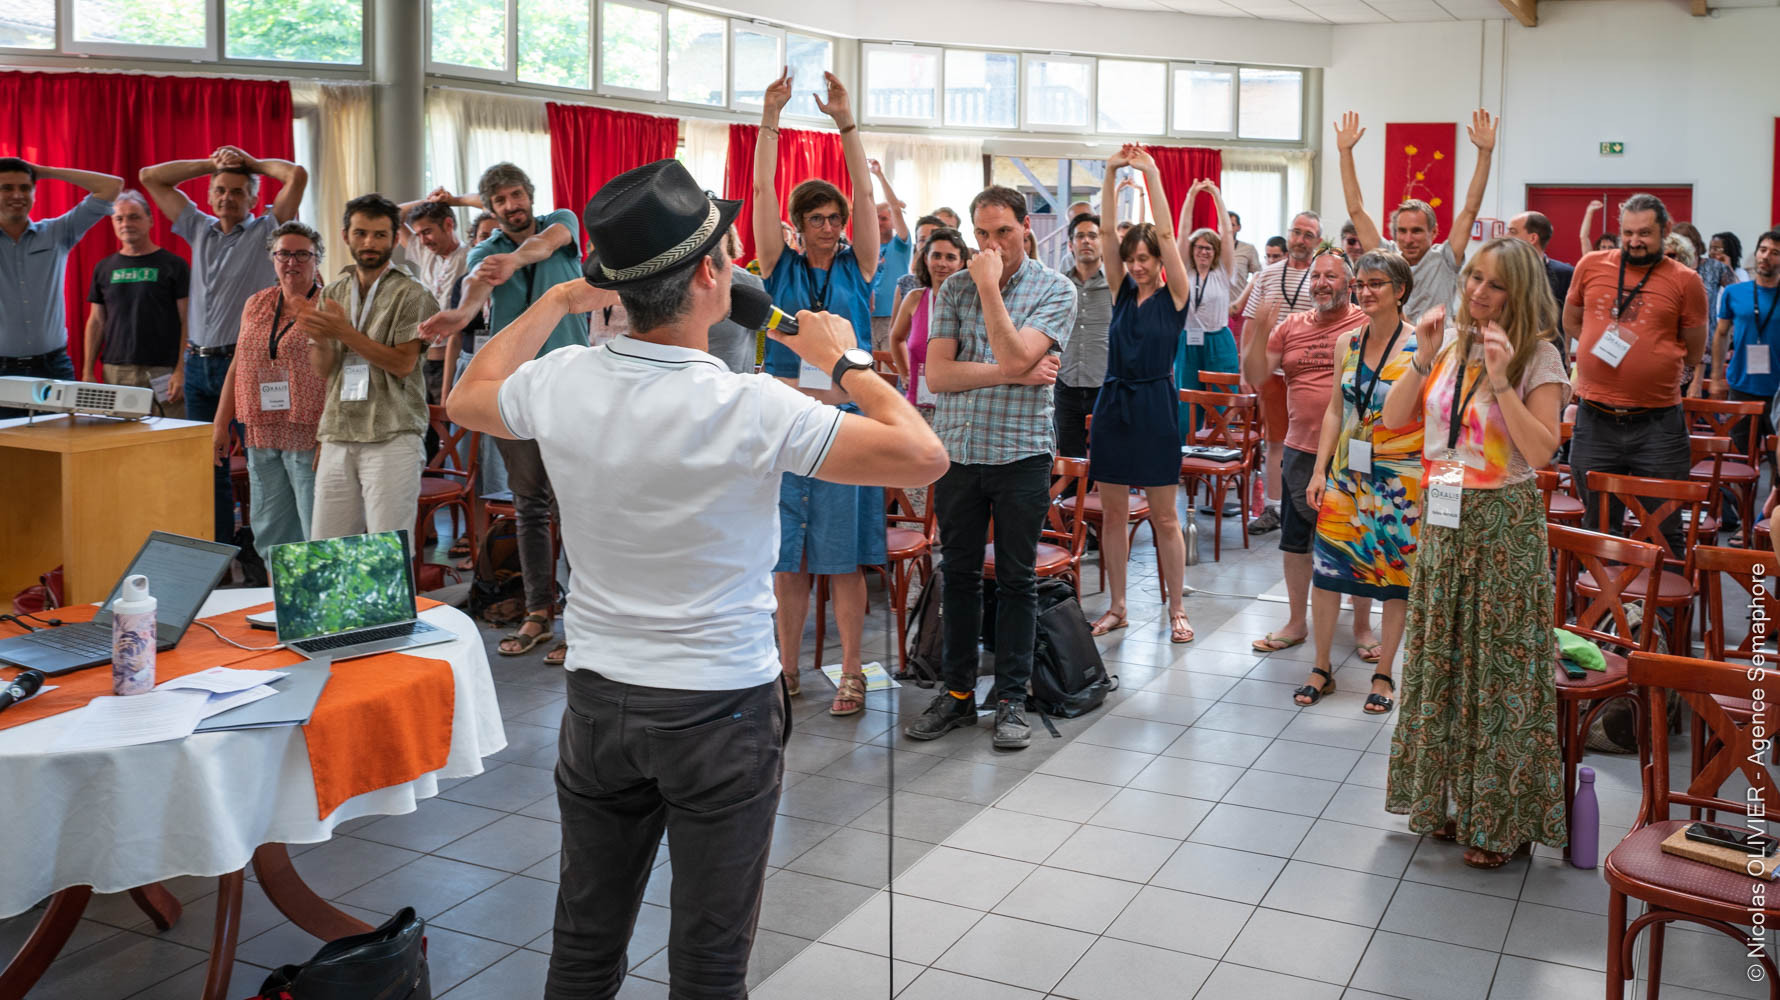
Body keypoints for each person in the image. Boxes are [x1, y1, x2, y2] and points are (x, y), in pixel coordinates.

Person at [445, 157, 946, 1000]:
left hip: (600, 700)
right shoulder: (751, 405)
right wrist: (843, 358)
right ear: (712, 277)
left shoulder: (563, 381)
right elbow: (923, 456)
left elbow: (468, 395)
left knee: (583, 948)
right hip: (721, 707)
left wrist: (557, 301)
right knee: (709, 968)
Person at [1379, 237, 1569, 868]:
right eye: (1473, 278)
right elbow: (1392, 419)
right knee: (1444, 662)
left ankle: (1502, 821)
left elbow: (1541, 452)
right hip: (1444, 518)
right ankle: (1447, 804)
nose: (1478, 292)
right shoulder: (1450, 343)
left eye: (1494, 284)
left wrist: (1502, 379)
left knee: (1498, 670)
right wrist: (1421, 357)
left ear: (1520, 292)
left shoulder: (1539, 355)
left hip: (1502, 526)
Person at [905, 184, 1075, 750]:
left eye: (1003, 231)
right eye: (982, 234)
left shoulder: (1056, 289)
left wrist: (989, 289)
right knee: (957, 574)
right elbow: (938, 376)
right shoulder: (953, 287)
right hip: (959, 450)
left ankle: (1010, 701)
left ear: (1026, 227)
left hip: (1021, 451)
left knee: (1017, 580)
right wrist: (1014, 373)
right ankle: (956, 695)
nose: (992, 244)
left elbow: (1012, 351)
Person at [752, 67, 885, 718]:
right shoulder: (779, 267)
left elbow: (866, 192)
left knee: (843, 561)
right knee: (789, 562)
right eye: (818, 219)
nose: (830, 226)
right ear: (799, 225)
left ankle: (852, 672)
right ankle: (785, 671)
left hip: (846, 427)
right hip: (788, 424)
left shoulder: (861, 268)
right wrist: (770, 121)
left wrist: (846, 123)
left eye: (836, 218)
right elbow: (760, 191)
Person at [420, 162, 588, 665]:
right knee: (529, 504)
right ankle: (538, 611)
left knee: (575, 506)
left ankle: (582, 622)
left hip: (573, 388)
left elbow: (544, 245)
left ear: (529, 195)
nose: (511, 206)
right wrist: (458, 316)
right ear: (491, 209)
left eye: (516, 195)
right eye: (500, 201)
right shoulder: (485, 252)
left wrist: (513, 261)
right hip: (515, 393)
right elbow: (475, 291)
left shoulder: (562, 223)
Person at [141, 145, 306, 542]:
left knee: (262, 464)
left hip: (249, 366)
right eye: (220, 190)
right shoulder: (197, 227)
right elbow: (150, 176)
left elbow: (296, 175)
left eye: (237, 191)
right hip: (198, 365)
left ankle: (268, 550)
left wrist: (248, 163)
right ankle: (218, 551)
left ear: (253, 198)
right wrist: (211, 164)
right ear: (209, 195)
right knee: (206, 466)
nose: (227, 198)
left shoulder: (268, 230)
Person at [1299, 250, 1421, 713]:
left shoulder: (1422, 346)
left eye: (1376, 284)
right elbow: (1336, 409)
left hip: (1401, 480)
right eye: (1360, 285)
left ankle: (1385, 673)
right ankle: (1321, 666)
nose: (1365, 292)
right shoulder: (1346, 342)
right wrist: (1319, 470)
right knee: (1328, 570)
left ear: (1400, 290)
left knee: (1395, 577)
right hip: (1347, 473)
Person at [1242, 250, 1376, 659]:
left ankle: (1362, 626)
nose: (1321, 283)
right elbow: (1255, 374)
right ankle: (1296, 621)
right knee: (1296, 541)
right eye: (1315, 276)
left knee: (1359, 539)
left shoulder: (1366, 324)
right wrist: (1259, 332)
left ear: (1350, 284)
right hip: (1300, 448)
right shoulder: (1291, 327)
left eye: (1330, 276)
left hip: (1354, 452)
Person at [1085, 146, 1194, 644]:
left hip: (1155, 405)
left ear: (1159, 260)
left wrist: (1149, 172)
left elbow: (1168, 234)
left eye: (1144, 259)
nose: (1136, 267)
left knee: (1165, 516)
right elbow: (1108, 233)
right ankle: (1118, 605)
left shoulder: (1176, 295)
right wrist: (1110, 173)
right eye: (1131, 260)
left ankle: (1177, 609)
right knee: (1112, 513)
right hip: (1114, 402)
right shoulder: (1121, 290)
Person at [1563, 193, 1708, 554]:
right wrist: (1600, 348)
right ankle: (1603, 593)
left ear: (1665, 231)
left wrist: (1650, 357)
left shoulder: (1686, 281)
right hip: (1595, 420)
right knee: (1597, 527)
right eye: (1628, 233)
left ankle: (1661, 594)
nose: (1635, 241)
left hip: (1658, 425)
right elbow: (1572, 321)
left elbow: (1693, 349)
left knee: (1663, 531)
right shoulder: (1590, 266)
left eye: (1644, 233)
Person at [303, 194, 436, 539]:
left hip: (393, 432)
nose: (369, 243)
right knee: (328, 547)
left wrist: (344, 332)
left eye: (379, 235)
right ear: (345, 235)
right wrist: (319, 338)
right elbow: (324, 370)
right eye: (361, 233)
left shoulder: (413, 294)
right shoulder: (332, 292)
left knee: (386, 548)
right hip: (338, 431)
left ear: (395, 238)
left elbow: (403, 364)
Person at [210, 221, 329, 557]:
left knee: (315, 527)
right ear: (272, 258)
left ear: (317, 259)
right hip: (261, 430)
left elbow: (342, 374)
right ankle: (278, 587)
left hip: (311, 432)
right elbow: (239, 363)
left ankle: (316, 589)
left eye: (302, 254)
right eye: (283, 254)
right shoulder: (257, 303)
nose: (292, 262)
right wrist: (221, 423)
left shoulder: (330, 305)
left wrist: (332, 434)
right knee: (270, 527)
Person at [1338, 109, 1498, 321]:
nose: (1408, 239)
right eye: (1402, 231)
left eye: (1416, 231)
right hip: (1396, 340)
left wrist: (1485, 153)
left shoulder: (1445, 258)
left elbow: (1470, 209)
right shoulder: (1387, 256)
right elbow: (1356, 210)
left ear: (1434, 232)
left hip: (1438, 340)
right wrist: (1345, 152)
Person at [0, 157, 122, 417]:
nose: (17, 195)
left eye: (25, 188)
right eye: (6, 188)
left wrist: (43, 171)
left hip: (52, 367)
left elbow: (111, 186)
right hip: (2, 373)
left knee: (60, 442)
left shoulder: (56, 233)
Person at [1241, 210, 1323, 534]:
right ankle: (1273, 508)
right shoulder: (1268, 274)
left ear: (1317, 241)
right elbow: (1251, 323)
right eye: (1296, 232)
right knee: (1274, 441)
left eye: (1308, 235)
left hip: (1310, 376)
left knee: (1314, 443)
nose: (1300, 240)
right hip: (1272, 374)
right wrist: (1245, 369)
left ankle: (1311, 508)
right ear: (1289, 235)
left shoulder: (1322, 275)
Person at [84, 190, 191, 418]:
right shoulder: (104, 268)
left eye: (134, 217)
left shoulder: (174, 265)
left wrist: (181, 370)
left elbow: (187, 321)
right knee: (120, 436)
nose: (126, 224)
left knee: (167, 435)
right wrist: (87, 371)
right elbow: (96, 321)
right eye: (119, 218)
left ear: (150, 220)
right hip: (116, 371)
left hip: (163, 371)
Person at [1706, 229, 1780, 469]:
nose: (1766, 256)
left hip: (1778, 392)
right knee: (1738, 462)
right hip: (1742, 387)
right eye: (1763, 250)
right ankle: (1742, 498)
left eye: (1775, 253)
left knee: (1778, 465)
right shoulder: (1734, 292)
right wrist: (1716, 378)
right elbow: (1721, 334)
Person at [1176, 181, 1242, 440]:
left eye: (1208, 248)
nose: (1203, 252)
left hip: (1218, 341)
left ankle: (1220, 452)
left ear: (1215, 252)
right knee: (1185, 404)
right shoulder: (1185, 270)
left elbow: (1226, 232)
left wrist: (1215, 195)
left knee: (1221, 404)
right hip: (1188, 341)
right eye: (1199, 247)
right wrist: (1191, 194)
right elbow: (1182, 232)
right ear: (1192, 250)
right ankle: (1183, 453)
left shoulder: (1223, 272)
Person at [396, 191, 474, 406]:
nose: (423, 240)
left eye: (427, 232)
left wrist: (454, 201)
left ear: (448, 225)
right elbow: (393, 214)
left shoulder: (471, 256)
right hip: (420, 361)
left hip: (454, 361)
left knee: (449, 422)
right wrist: (428, 201)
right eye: (419, 234)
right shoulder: (425, 252)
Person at [889, 226, 971, 417]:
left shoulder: (970, 304)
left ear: (961, 263)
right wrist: (904, 373)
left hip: (955, 409)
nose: (942, 263)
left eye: (950, 257)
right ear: (926, 258)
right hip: (917, 405)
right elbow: (896, 337)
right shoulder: (914, 298)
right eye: (936, 255)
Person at [1056, 211, 1110, 459]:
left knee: (1107, 459)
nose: (1086, 241)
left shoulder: (1117, 285)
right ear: (1070, 245)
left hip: (1105, 385)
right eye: (1080, 236)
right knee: (1069, 460)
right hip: (1065, 384)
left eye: (1092, 236)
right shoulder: (1059, 285)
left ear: (1102, 242)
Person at [705, 226, 767, 375]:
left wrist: (759, 366)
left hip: (736, 379)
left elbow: (761, 335)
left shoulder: (748, 283)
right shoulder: (676, 282)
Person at [1507, 210, 1572, 349]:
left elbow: (1570, 319)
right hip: (1509, 352)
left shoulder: (1564, 274)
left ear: (1533, 238)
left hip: (1550, 353)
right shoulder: (1501, 271)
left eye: (1512, 232)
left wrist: (1566, 350)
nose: (1506, 236)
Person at [866, 158, 911, 351]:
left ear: (892, 221)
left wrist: (879, 175)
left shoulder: (901, 244)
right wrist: (885, 205)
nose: (879, 222)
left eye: (884, 219)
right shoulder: (867, 245)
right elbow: (857, 212)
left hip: (893, 318)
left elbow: (895, 209)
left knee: (890, 367)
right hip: (867, 317)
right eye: (876, 218)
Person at [1674, 221, 1736, 333]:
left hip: (1708, 336)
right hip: (1674, 336)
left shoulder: (1714, 267)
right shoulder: (1671, 269)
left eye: (1682, 245)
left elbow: (1738, 294)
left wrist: (1728, 328)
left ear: (1695, 245)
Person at [892, 214, 944, 316]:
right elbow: (894, 325)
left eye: (933, 239)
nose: (927, 244)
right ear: (916, 244)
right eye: (922, 240)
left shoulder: (951, 284)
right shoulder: (906, 283)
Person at [1227, 209, 1263, 294]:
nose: (1228, 228)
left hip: (1239, 299)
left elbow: (1259, 276)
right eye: (1224, 224)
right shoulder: (1212, 249)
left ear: (1238, 228)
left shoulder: (1248, 249)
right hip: (1214, 301)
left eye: (1232, 225)